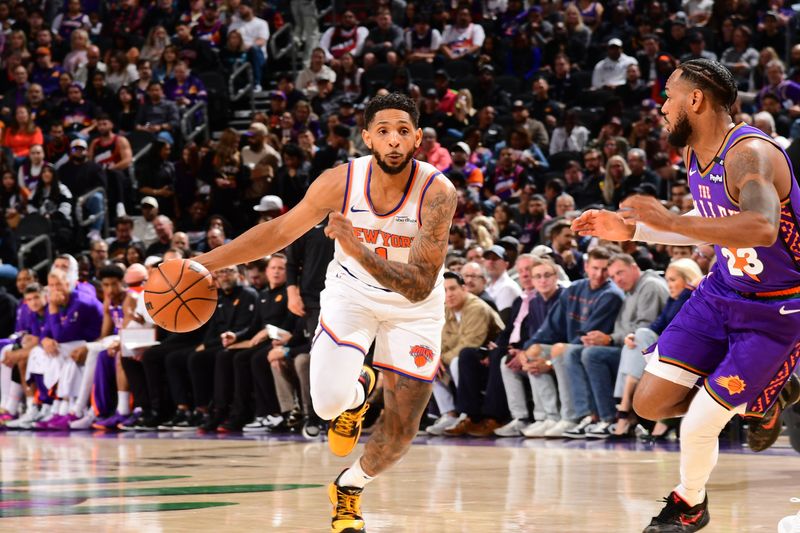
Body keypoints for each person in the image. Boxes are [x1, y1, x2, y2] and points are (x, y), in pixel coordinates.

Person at [194, 93, 456, 533]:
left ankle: (349, 486)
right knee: (327, 403)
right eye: (384, 132)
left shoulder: (438, 192)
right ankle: (357, 393)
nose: (394, 141)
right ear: (368, 137)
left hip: (414, 309)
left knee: (402, 431)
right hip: (351, 295)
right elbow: (277, 231)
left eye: (404, 132)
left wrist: (357, 247)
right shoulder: (339, 182)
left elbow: (419, 285)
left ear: (418, 141)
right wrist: (203, 264)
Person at [571, 58, 800, 532]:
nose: (660, 107)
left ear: (695, 99)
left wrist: (670, 221)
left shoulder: (748, 153)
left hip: (780, 307)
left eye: (668, 96)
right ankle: (763, 396)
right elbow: (712, 224)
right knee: (649, 403)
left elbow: (760, 227)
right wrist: (632, 229)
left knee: (699, 424)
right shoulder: (697, 152)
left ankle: (689, 505)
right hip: (723, 291)